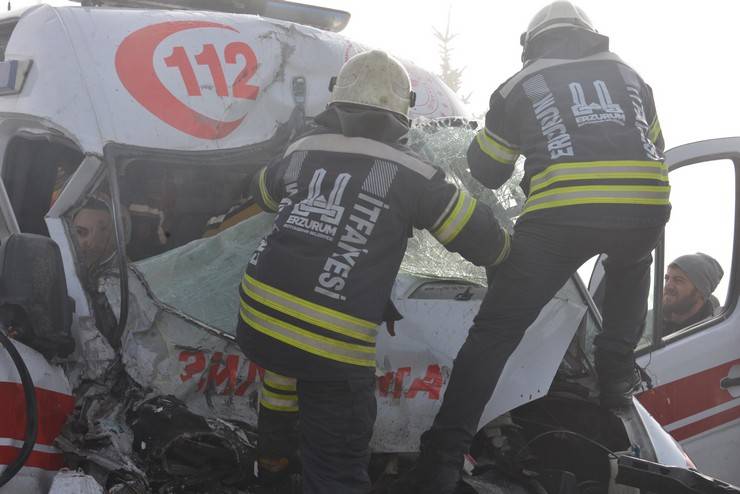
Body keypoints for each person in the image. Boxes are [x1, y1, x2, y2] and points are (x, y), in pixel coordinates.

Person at [406, 2, 671, 492]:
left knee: (495, 334)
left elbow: (488, 170)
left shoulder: (518, 85)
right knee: (633, 262)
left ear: (531, 44)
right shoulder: (631, 75)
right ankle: (615, 372)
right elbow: (652, 143)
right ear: (590, 35)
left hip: (561, 216)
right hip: (645, 206)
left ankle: (443, 455)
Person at [235, 50, 511, 494]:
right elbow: (483, 240)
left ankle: (271, 468)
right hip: (331, 342)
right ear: (404, 109)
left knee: (282, 375)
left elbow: (263, 193)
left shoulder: (303, 149)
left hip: (258, 318)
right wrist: (515, 254)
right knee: (337, 463)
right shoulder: (413, 174)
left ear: (336, 99)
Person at [662, 253, 723, 335]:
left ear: (700, 291)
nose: (668, 286)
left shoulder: (712, 333)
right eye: (667, 278)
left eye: (678, 280)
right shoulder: (651, 321)